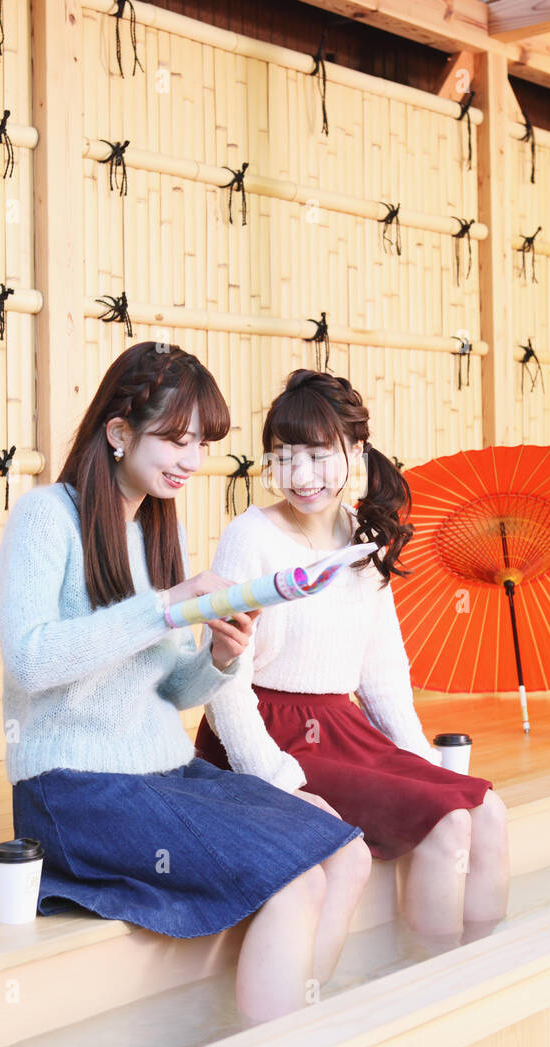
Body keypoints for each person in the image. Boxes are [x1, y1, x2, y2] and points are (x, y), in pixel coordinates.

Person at [0, 343, 371, 1023]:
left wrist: (224, 656)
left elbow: (174, 691)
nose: (192, 460)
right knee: (292, 884)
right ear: (118, 433)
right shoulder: (45, 517)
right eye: (175, 439)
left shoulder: (155, 533)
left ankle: (295, 1042)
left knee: (345, 850)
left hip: (164, 771)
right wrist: (166, 608)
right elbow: (29, 659)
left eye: (201, 442)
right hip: (74, 785)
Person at [195, 369, 509, 938]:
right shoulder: (250, 537)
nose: (301, 475)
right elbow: (223, 683)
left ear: (356, 451)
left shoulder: (363, 532)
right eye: (284, 457)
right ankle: (429, 986)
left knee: (486, 810)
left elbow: (382, 671)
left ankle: (479, 978)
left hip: (342, 727)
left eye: (318, 455)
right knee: (447, 826)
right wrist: (271, 776)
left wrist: (419, 761)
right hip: (266, 732)